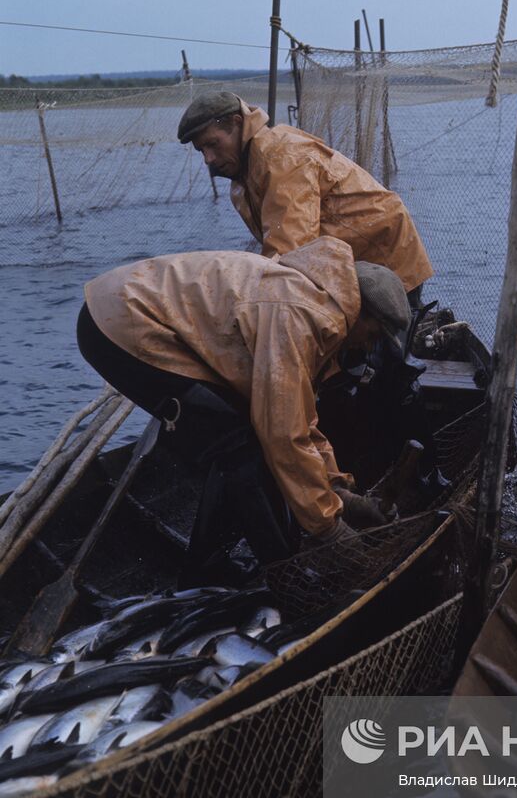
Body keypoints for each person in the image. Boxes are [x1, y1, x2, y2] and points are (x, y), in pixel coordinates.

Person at [78, 236, 406, 579]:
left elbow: (298, 417)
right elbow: (283, 435)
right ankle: (282, 574)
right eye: (374, 334)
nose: (370, 346)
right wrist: (329, 529)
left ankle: (207, 566)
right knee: (239, 445)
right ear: (361, 311)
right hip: (118, 323)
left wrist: (337, 489)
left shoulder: (316, 301)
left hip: (133, 314)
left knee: (241, 437)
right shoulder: (299, 314)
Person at [177, 91, 434, 301]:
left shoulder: (282, 158)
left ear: (236, 122)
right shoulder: (242, 180)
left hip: (385, 262)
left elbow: (290, 251)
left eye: (213, 144)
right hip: (347, 267)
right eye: (202, 151)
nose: (208, 159)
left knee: (385, 352)